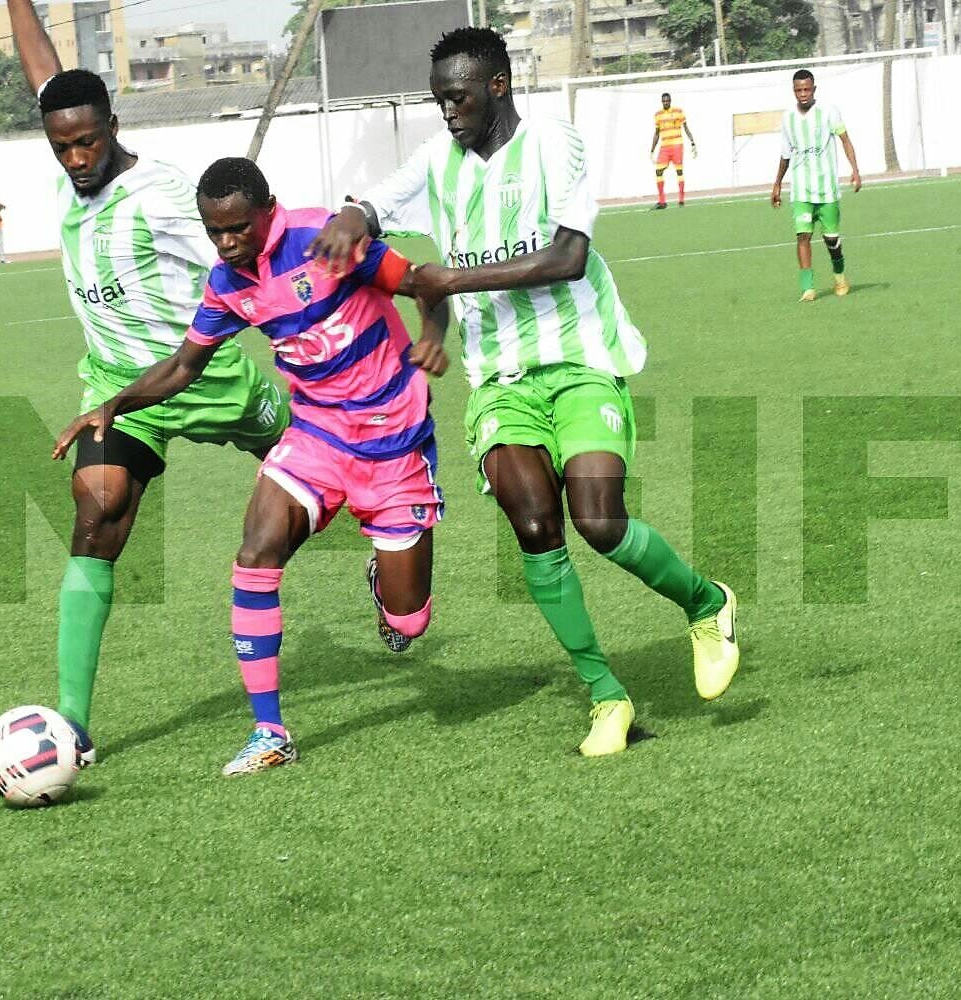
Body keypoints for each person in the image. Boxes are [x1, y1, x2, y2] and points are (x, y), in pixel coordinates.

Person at [310, 27, 740, 758]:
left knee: (600, 521)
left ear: (498, 87)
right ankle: (607, 697)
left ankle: (706, 604)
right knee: (534, 523)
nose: (447, 112)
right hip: (502, 381)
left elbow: (570, 257)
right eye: (439, 99)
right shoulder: (436, 162)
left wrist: (451, 281)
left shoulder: (554, 145)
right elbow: (373, 208)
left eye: (459, 97)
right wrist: (349, 221)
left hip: (581, 361)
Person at [53, 157, 449, 776]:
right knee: (255, 554)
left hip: (393, 442)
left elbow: (424, 280)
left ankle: (386, 586)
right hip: (316, 435)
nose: (227, 243)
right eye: (214, 232)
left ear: (268, 209)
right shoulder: (228, 282)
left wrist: (431, 335)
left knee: (410, 618)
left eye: (238, 228)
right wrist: (116, 403)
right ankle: (270, 732)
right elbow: (185, 364)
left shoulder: (328, 239)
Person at [4, 0, 289, 762]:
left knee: (322, 468)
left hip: (205, 378)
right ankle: (72, 723)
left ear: (113, 128)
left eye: (86, 142)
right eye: (60, 145)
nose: (74, 159)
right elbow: (45, 75)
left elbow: (243, 259)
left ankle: (385, 537)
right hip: (118, 391)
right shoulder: (70, 164)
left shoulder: (161, 194)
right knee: (95, 507)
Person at [770, 69, 862, 301]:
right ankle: (807, 288)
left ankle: (839, 276)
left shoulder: (829, 113)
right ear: (794, 91)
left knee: (831, 240)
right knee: (803, 235)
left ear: (814, 89)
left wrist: (855, 170)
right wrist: (777, 183)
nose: (803, 93)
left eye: (807, 89)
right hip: (801, 190)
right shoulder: (788, 118)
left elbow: (845, 140)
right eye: (798, 89)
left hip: (827, 189)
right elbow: (785, 153)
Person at [650, 92, 696, 209]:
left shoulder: (678, 112)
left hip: (677, 145)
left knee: (679, 172)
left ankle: (681, 200)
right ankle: (662, 201)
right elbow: (657, 133)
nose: (666, 102)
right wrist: (652, 150)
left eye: (667, 101)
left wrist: (692, 142)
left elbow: (686, 128)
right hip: (665, 146)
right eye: (664, 101)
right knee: (658, 171)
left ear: (670, 101)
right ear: (662, 102)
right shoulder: (658, 115)